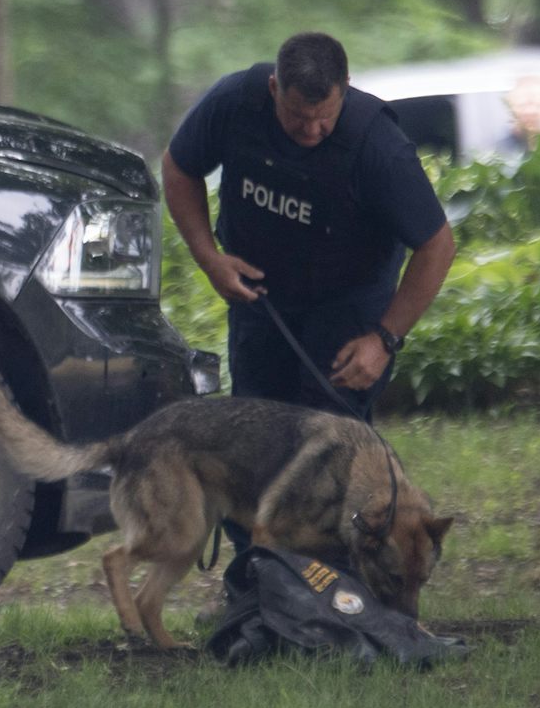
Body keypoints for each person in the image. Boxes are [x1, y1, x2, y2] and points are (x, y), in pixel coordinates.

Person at [163, 32, 456, 426]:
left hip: (347, 310)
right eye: (298, 117)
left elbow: (437, 246)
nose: (312, 131)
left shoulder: (378, 147)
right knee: (256, 433)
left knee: (327, 443)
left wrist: (385, 340)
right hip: (262, 299)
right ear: (274, 89)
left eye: (325, 118)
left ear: (346, 89)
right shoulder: (235, 104)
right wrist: (208, 257)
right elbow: (179, 166)